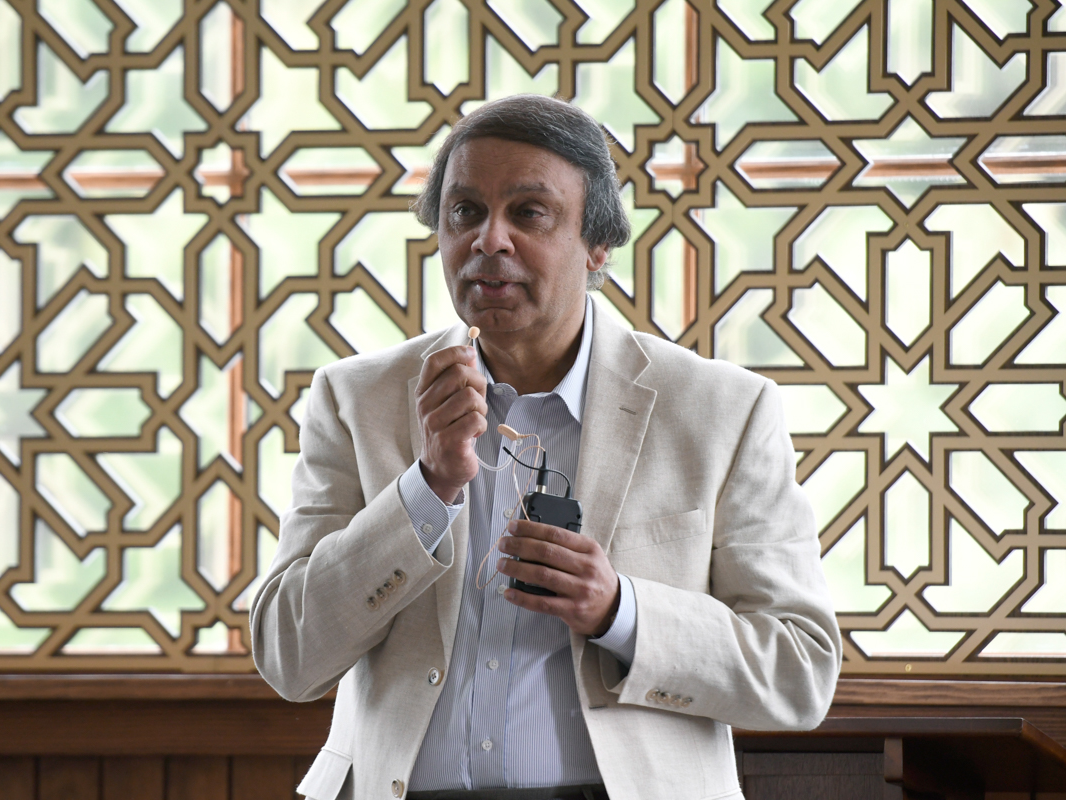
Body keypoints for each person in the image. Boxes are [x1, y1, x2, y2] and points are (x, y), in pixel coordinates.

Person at [251, 94, 840, 800]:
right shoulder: (356, 399)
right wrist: (427, 489)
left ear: (597, 245)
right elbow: (288, 656)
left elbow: (799, 672)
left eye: (529, 213)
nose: (489, 240)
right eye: (465, 212)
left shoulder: (723, 411)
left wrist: (620, 611)